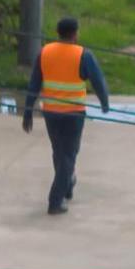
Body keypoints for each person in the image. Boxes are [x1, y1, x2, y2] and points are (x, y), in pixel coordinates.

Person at [31, 16, 112, 217]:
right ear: (75, 33)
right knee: (68, 156)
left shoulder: (45, 52)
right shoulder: (83, 54)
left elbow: (33, 83)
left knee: (59, 153)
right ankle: (55, 201)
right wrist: (104, 103)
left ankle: (67, 184)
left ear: (58, 33)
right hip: (73, 115)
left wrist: (27, 112)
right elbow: (98, 81)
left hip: (50, 113)